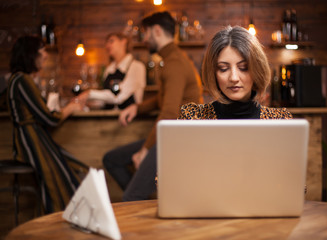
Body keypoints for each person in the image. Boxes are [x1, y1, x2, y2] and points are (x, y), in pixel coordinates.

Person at [103, 11, 203, 201]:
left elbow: (169, 112)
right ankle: (145, 200)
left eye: (145, 33)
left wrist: (145, 149)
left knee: (129, 197)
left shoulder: (175, 63)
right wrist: (137, 108)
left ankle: (138, 198)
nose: (144, 39)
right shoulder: (172, 60)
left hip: (179, 140)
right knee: (112, 159)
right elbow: (162, 99)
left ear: (157, 31)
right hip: (172, 136)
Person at [7, 36, 88, 213]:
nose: (44, 56)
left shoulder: (19, 80)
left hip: (35, 138)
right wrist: (70, 108)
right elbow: (50, 119)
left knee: (71, 171)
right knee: (59, 178)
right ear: (31, 55)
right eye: (41, 52)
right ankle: (63, 223)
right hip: (30, 141)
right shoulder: (21, 80)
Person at [178, 26, 293, 120]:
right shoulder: (193, 118)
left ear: (257, 70)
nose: (233, 78)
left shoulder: (279, 120)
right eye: (223, 68)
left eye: (243, 68)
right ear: (213, 73)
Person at [87, 32, 146, 109]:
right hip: (107, 118)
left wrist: (89, 94)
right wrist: (87, 102)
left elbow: (119, 97)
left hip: (129, 118)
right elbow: (103, 102)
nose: (107, 46)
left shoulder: (137, 67)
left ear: (124, 41)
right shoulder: (109, 69)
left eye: (111, 41)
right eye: (106, 43)